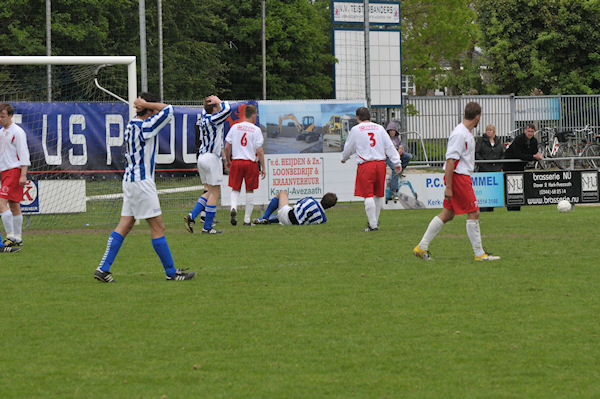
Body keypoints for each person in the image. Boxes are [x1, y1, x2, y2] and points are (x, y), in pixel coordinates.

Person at [94, 94, 195, 282]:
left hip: (130, 181)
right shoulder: (145, 126)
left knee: (126, 224)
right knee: (158, 226)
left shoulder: (132, 123)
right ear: (148, 110)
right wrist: (148, 104)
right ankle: (171, 272)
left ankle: (103, 268)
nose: (156, 112)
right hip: (141, 183)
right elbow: (169, 110)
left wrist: (146, 106)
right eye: (152, 110)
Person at [413, 102, 500, 261]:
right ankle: (479, 254)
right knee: (474, 212)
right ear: (477, 117)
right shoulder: (460, 134)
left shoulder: (465, 132)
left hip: (459, 176)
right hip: (459, 177)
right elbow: (450, 161)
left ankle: (421, 247)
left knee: (448, 214)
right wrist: (449, 187)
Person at [341, 107, 402, 231]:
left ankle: (373, 225)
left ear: (358, 117)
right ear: (369, 116)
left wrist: (344, 157)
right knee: (378, 195)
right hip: (380, 164)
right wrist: (397, 162)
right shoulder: (379, 128)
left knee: (368, 195)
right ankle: (374, 222)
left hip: (366, 165)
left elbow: (349, 147)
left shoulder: (356, 129)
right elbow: (389, 146)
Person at [184, 95, 231, 234]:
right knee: (215, 193)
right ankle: (207, 227)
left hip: (202, 157)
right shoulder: (213, 119)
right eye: (217, 106)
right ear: (214, 108)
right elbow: (227, 110)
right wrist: (219, 101)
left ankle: (192, 216)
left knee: (209, 191)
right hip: (211, 158)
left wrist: (211, 102)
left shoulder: (203, 118)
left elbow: (210, 109)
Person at [224, 104, 265, 226]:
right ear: (253, 115)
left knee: (235, 188)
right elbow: (260, 150)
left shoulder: (235, 127)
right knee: (250, 190)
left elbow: (227, 147)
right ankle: (247, 220)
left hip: (236, 161)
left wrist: (228, 160)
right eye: (255, 115)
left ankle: (233, 207)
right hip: (250, 162)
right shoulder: (256, 130)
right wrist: (263, 167)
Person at [0, 102, 30, 251]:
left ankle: (10, 237)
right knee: (14, 205)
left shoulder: (17, 132)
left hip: (14, 171)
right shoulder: (1, 132)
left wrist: (23, 174)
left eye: (3, 116)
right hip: (5, 171)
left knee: (1, 203)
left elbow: (24, 152)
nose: (0, 119)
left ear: (10, 116)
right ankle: (18, 238)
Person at [503, 123, 543, 211]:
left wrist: (537, 156)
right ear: (525, 131)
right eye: (528, 131)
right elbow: (519, 154)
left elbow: (534, 153)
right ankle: (510, 208)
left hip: (520, 167)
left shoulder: (534, 141)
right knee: (510, 188)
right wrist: (533, 157)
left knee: (519, 187)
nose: (530, 133)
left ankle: (517, 207)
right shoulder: (519, 139)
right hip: (509, 166)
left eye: (532, 131)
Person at [253, 190, 337, 225]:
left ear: (323, 197)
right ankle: (270, 220)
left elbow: (297, 204)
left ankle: (264, 218)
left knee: (283, 193)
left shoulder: (310, 200)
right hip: (293, 224)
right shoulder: (323, 219)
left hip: (287, 215)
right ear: (330, 207)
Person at [475, 124, 504, 212]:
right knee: (484, 192)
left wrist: (499, 164)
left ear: (494, 131)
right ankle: (483, 209)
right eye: (487, 130)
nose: (489, 132)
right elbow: (476, 153)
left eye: (491, 130)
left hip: (495, 170)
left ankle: (491, 209)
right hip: (484, 170)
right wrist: (483, 164)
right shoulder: (481, 141)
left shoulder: (498, 141)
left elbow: (502, 154)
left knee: (492, 193)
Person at [385, 121, 413, 200]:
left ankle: (400, 171)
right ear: (388, 131)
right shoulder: (386, 139)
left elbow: (401, 148)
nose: (392, 132)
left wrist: (398, 154)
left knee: (408, 156)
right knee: (395, 168)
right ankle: (394, 191)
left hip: (397, 156)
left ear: (395, 131)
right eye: (390, 130)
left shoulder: (397, 139)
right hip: (388, 157)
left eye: (393, 130)